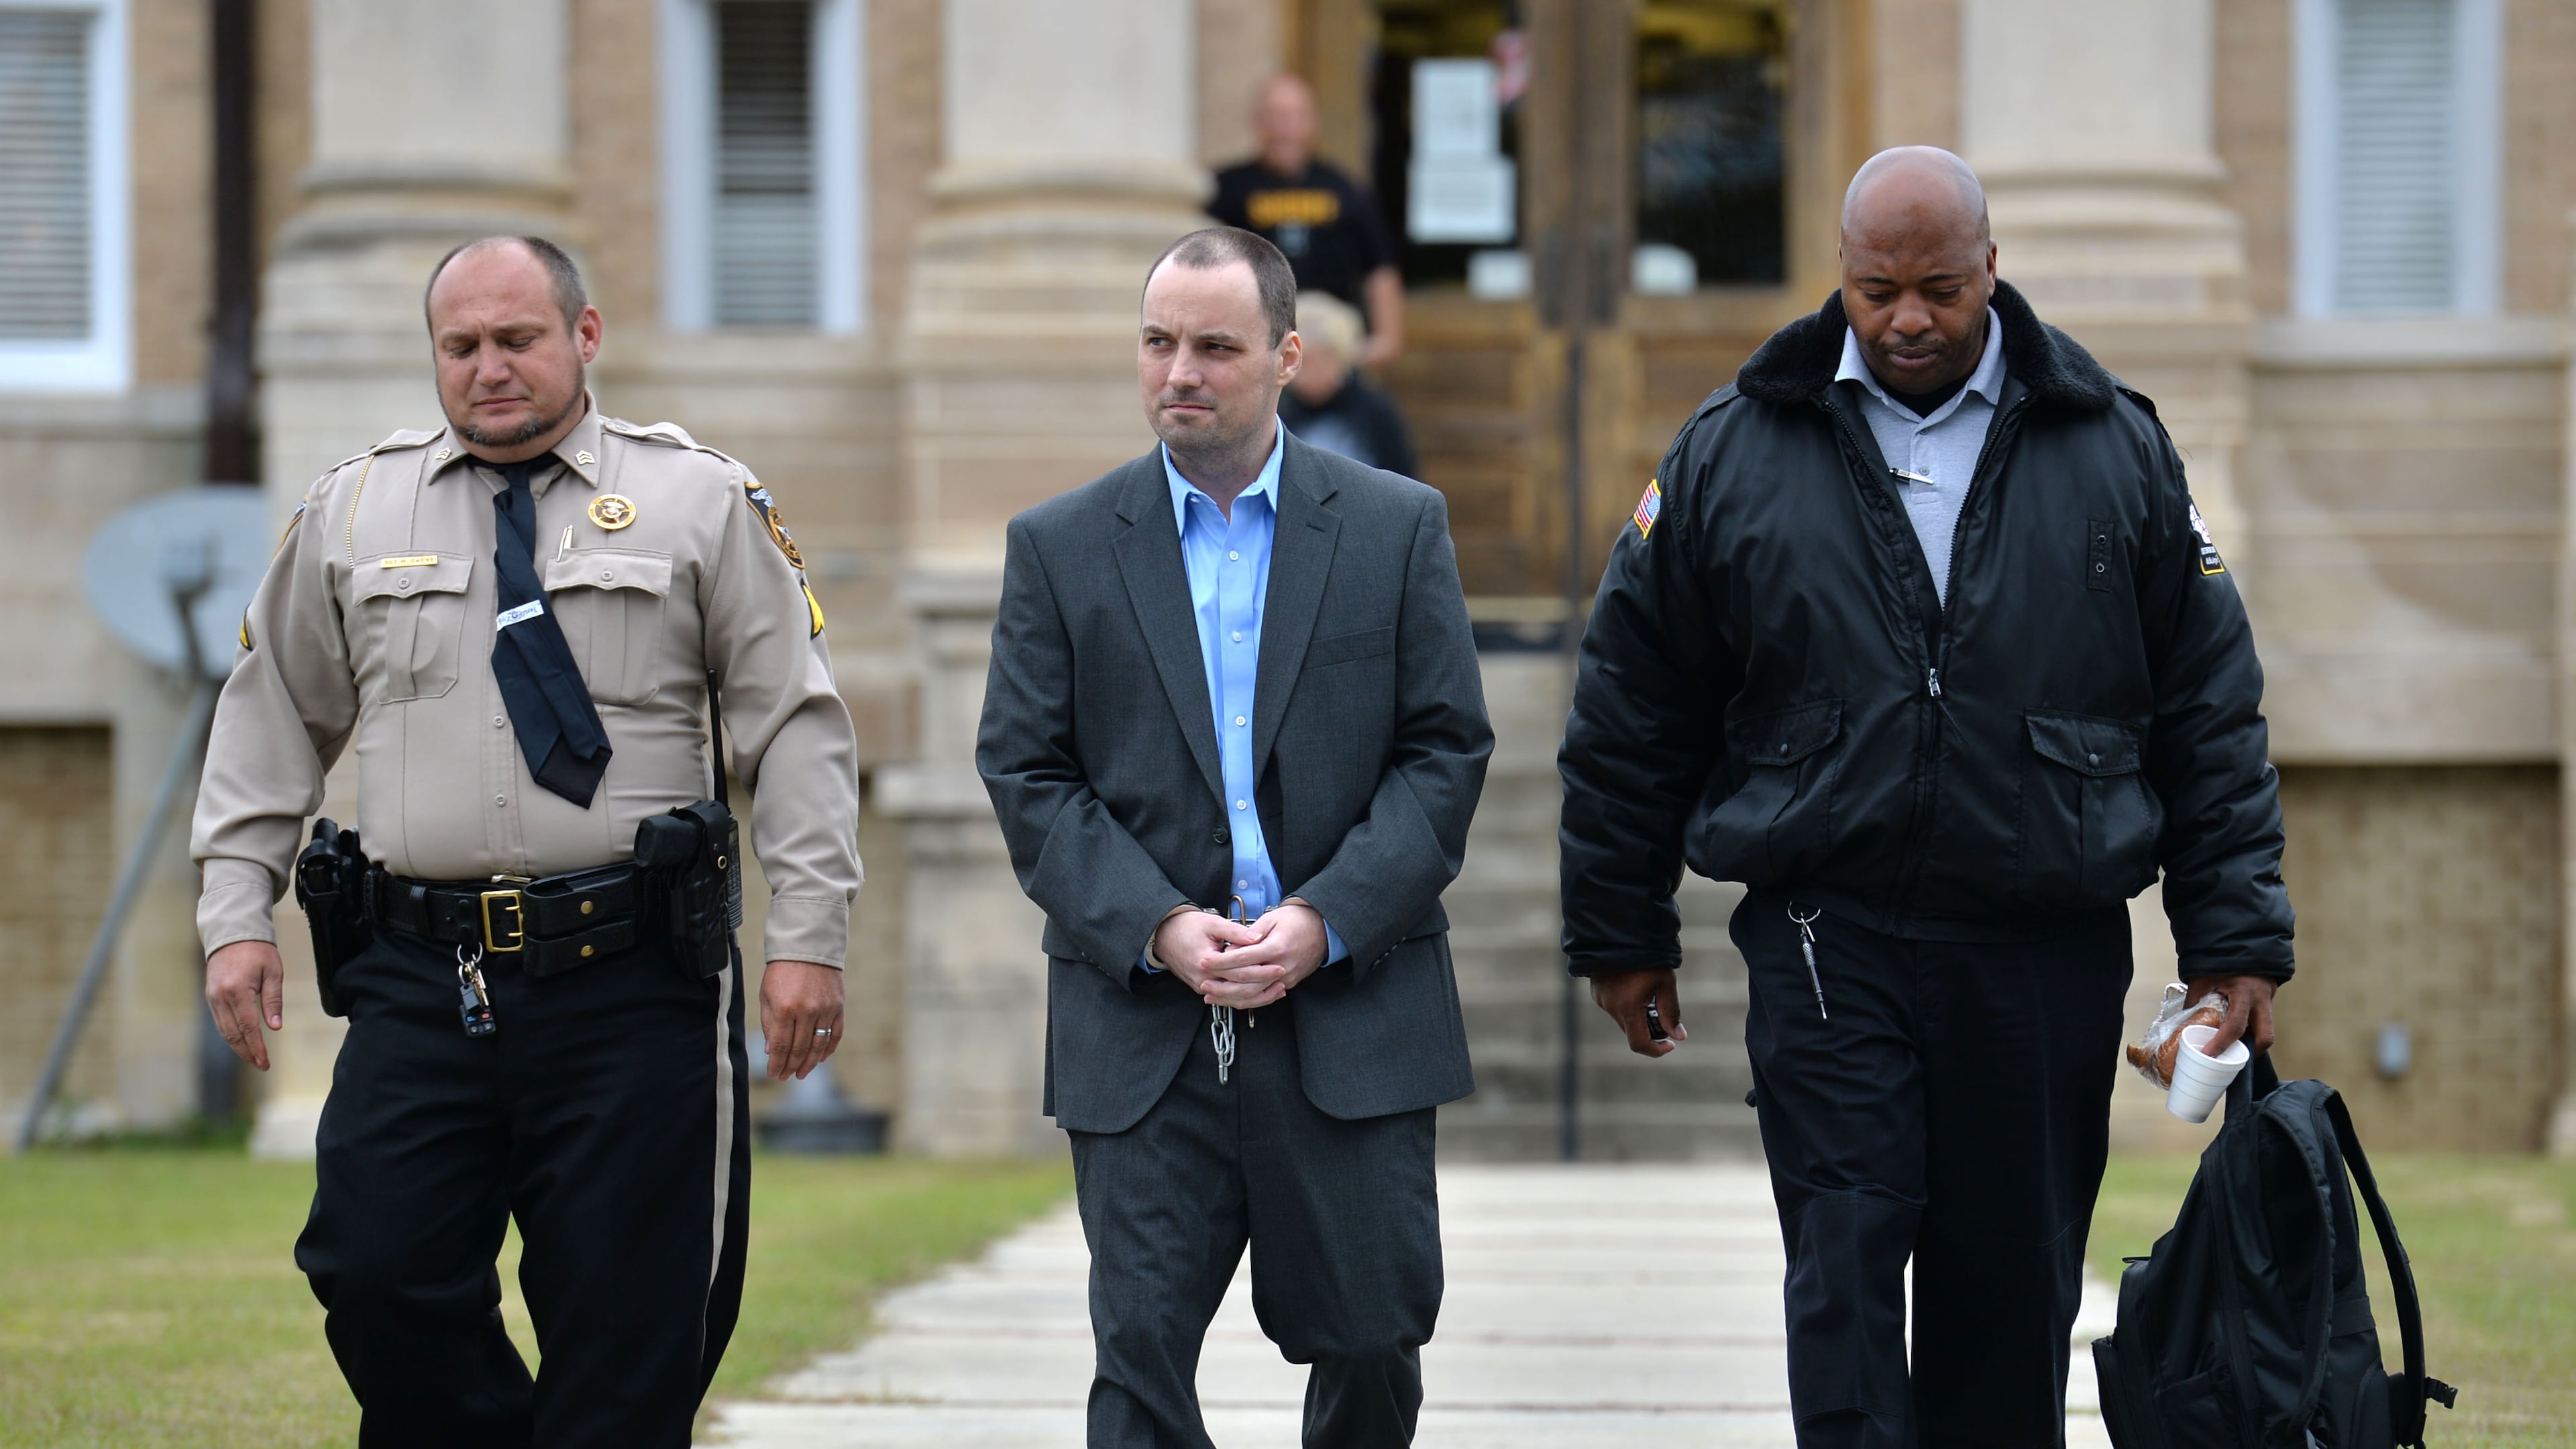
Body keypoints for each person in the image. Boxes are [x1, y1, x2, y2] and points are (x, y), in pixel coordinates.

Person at [1558, 148, 2294, 1448]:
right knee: (1841, 1262)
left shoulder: (2114, 444)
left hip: (2043, 943)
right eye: (1877, 289)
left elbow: (2207, 713)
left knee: (2008, 1296)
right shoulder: (1733, 450)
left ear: (1994, 270)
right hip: (1826, 935)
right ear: (1840, 276)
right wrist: (1620, 925)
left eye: (1941, 289)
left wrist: (2232, 941)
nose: (1907, 319)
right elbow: (1634, 702)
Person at [192, 235, 863, 1448]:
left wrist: (809, 936)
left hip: (631, 981)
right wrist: (235, 913)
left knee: (627, 1334)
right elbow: (271, 717)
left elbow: (798, 733)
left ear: (585, 337)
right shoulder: (353, 507)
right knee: (374, 1267)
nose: (489, 369)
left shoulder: (698, 499)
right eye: (462, 347)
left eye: (518, 340)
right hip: (416, 975)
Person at [977, 226, 1489, 1448]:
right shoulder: (1058, 547)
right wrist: (1155, 923)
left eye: (1215, 347)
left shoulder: (1394, 526)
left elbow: (1445, 754)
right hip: (1143, 1023)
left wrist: (1327, 919)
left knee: (1372, 1348)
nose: (1180, 373)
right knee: (1139, 1360)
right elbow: (1026, 772)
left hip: (1353, 1015)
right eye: (1159, 343)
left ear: (1288, 357)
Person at [1210, 74, 1405, 366]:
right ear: (1257, 123)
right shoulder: (1226, 190)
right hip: (1256, 331)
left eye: (1295, 117)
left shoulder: (1344, 189)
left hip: (1332, 335)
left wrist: (1386, 341)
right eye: (1276, 117)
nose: (1286, 129)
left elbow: (1379, 267)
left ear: (1313, 123)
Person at [1279, 290, 1419, 478]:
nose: (1304, 374)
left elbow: (1404, 478)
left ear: (1339, 357)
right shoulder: (1281, 412)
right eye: (1298, 363)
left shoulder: (1374, 410)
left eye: (1315, 361)